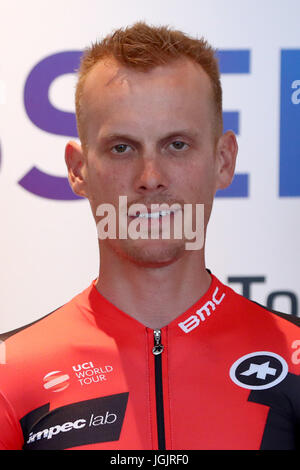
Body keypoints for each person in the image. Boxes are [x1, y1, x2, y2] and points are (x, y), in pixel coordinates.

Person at [0, 22, 299, 451]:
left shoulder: (294, 357)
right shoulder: (11, 376)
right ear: (77, 169)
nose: (151, 178)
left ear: (223, 160)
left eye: (177, 145)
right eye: (122, 147)